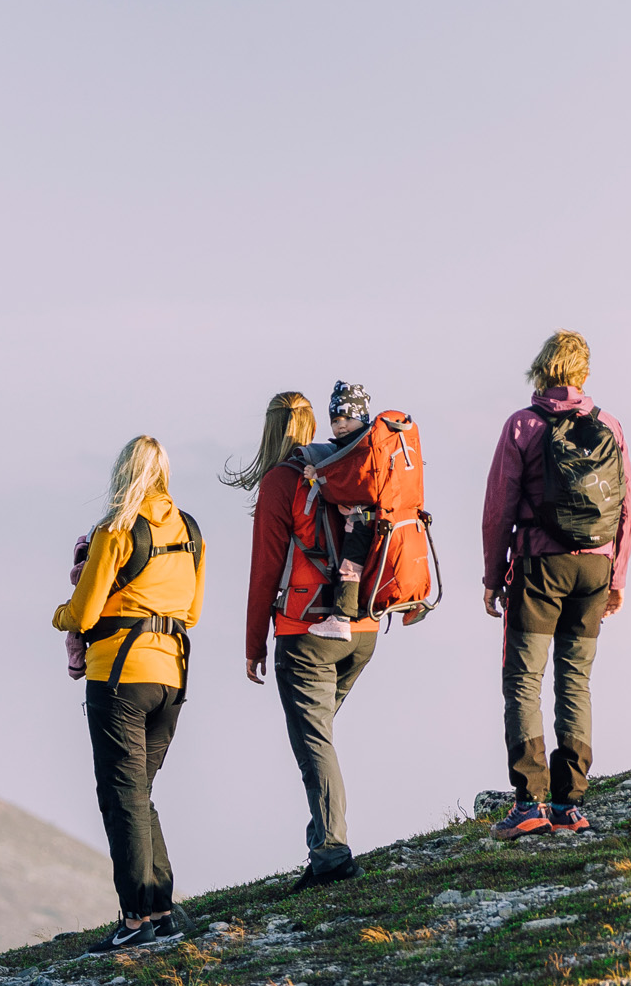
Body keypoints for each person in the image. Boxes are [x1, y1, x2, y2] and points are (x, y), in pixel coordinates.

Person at [482, 331, 631, 838]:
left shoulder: (523, 425)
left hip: (538, 566)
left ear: (542, 369)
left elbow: (498, 507)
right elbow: (628, 507)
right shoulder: (609, 424)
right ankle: (571, 804)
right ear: (583, 373)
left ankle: (530, 801)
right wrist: (617, 575)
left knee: (524, 678)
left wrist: (491, 574)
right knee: (576, 679)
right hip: (594, 570)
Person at [53, 435, 203, 952]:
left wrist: (61, 616)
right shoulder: (190, 530)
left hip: (119, 674)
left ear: (123, 472)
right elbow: (193, 611)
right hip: (172, 675)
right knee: (138, 792)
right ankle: (160, 910)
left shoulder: (116, 529)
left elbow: (85, 610)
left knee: (121, 797)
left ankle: (136, 920)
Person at [234, 384, 385, 889]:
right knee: (315, 740)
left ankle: (331, 856)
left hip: (307, 633)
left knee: (313, 742)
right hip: (361, 629)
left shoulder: (282, 481)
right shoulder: (344, 466)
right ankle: (322, 844)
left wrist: (255, 643)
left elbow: (264, 570)